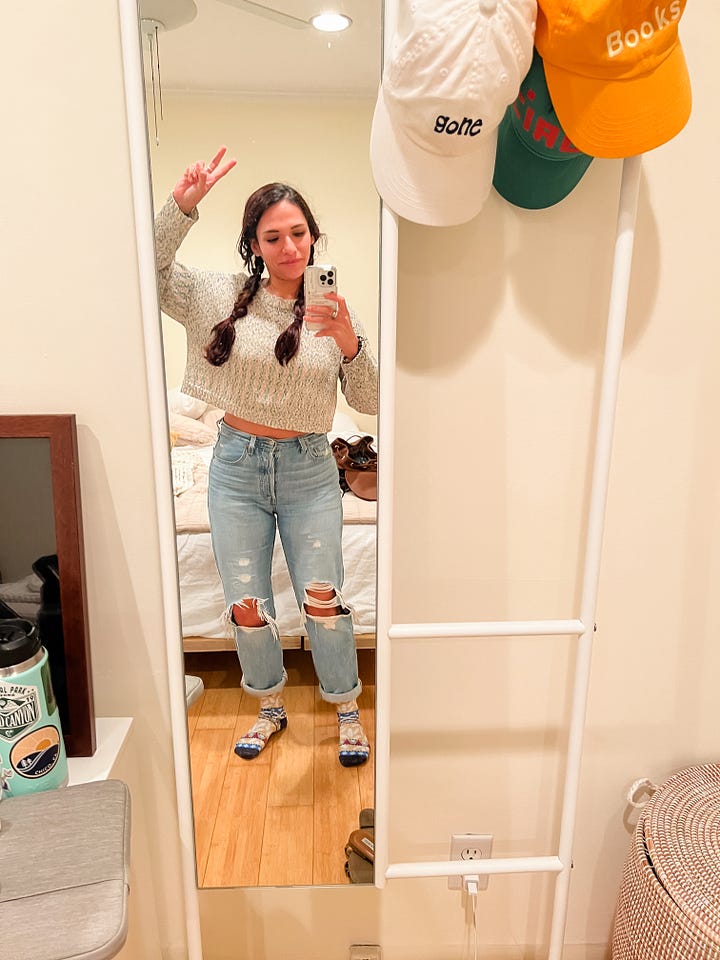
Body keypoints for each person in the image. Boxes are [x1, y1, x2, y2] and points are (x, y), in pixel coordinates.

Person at [154, 147, 378, 767]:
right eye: (272, 236)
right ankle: (268, 706)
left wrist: (350, 343)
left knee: (322, 598)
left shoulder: (336, 312)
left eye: (298, 233)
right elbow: (144, 267)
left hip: (309, 469)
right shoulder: (217, 295)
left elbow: (371, 400)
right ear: (254, 245)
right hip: (234, 468)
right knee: (247, 605)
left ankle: (346, 708)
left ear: (313, 238)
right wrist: (183, 206)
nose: (288, 247)